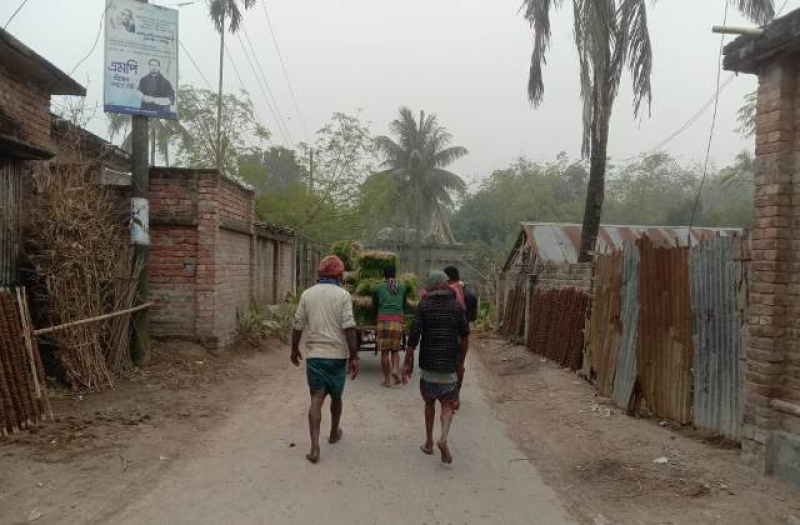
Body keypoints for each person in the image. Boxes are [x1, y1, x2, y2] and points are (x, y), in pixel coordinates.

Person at [291, 255, 359, 464]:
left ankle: (314, 447)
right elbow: (349, 327)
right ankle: (333, 432)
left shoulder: (307, 294)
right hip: (337, 356)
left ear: (320, 274)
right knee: (336, 397)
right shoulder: (343, 295)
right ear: (339, 274)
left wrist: (294, 349)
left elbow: (297, 324)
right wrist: (354, 356)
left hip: (315, 356)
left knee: (316, 399)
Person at [403, 271, 469, 464]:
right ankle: (443, 437)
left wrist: (407, 361)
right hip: (449, 366)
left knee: (429, 403)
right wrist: (461, 361)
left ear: (431, 288)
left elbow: (413, 337)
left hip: (429, 366)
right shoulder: (457, 307)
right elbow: (465, 335)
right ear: (444, 286)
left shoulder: (424, 306)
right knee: (447, 405)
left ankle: (429, 443)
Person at [372, 265, 409, 387]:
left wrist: (375, 317)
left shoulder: (377, 287)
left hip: (383, 320)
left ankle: (387, 380)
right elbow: (404, 305)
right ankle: (395, 369)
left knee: (384, 352)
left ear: (384, 274)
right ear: (395, 273)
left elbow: (375, 306)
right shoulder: (403, 287)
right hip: (397, 320)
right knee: (395, 350)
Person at [443, 266, 474, 410]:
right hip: (463, 335)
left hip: (449, 334)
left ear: (447, 278)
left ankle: (450, 398)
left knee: (449, 367)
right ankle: (455, 396)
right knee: (459, 366)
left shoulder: (448, 292)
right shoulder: (467, 291)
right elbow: (472, 318)